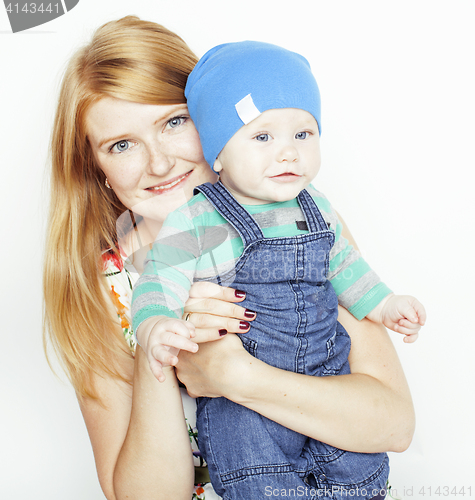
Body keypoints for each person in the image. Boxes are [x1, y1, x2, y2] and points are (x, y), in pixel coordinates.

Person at [43, 16, 415, 500]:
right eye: (122, 145)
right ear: (100, 173)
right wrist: (163, 347)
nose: (159, 163)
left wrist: (234, 376)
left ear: (216, 119)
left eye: (174, 122)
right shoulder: (100, 290)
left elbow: (393, 426)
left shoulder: (302, 223)